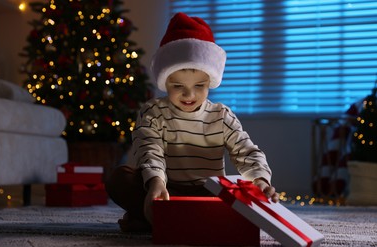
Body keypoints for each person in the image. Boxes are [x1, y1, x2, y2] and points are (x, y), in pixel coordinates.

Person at [105, 12, 279, 232]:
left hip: (209, 192)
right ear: (165, 81)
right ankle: (164, 214)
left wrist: (260, 181)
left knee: (240, 198)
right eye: (178, 86)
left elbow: (247, 152)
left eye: (199, 86)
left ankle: (155, 219)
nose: (189, 95)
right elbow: (149, 149)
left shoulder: (222, 116)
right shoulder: (153, 112)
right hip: (164, 186)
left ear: (210, 82)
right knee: (120, 178)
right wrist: (156, 182)